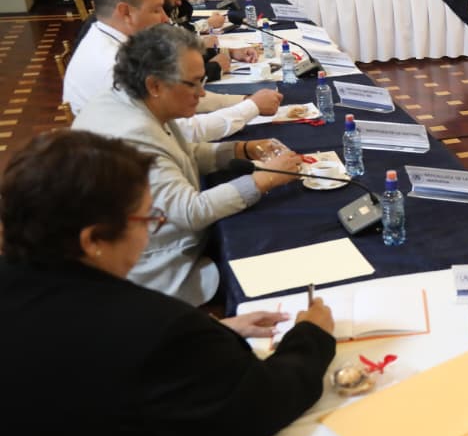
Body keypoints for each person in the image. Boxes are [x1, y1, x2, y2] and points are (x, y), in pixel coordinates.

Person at [0, 129, 335, 436]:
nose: (152, 230)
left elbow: (89, 367)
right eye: (146, 219)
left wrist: (219, 331)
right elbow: (259, 404)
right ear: (93, 240)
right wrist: (311, 337)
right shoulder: (153, 331)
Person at [72, 24, 302, 305]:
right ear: (155, 85)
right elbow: (191, 211)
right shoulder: (135, 133)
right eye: (193, 84)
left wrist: (241, 149)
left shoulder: (129, 100)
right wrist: (266, 178)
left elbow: (183, 153)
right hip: (156, 270)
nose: (201, 93)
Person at [62, 0, 280, 141]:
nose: (165, 19)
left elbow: (178, 95)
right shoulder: (112, 65)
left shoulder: (111, 39)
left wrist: (242, 100)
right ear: (125, 12)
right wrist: (251, 108)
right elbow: (183, 132)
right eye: (156, 10)